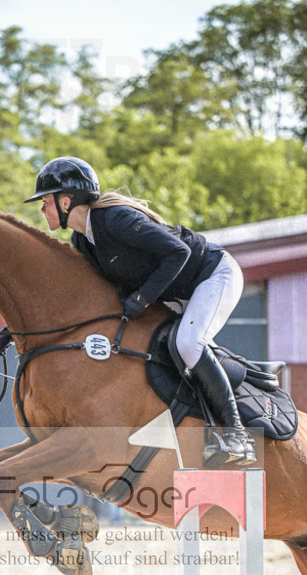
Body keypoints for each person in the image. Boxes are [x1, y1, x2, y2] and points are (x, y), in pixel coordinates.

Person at [24, 156, 256, 466]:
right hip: (181, 292)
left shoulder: (115, 219)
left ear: (66, 202)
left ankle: (238, 436)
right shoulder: (83, 240)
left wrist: (143, 298)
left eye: (45, 201)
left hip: (213, 274)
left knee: (188, 344)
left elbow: (179, 252)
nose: (42, 209)